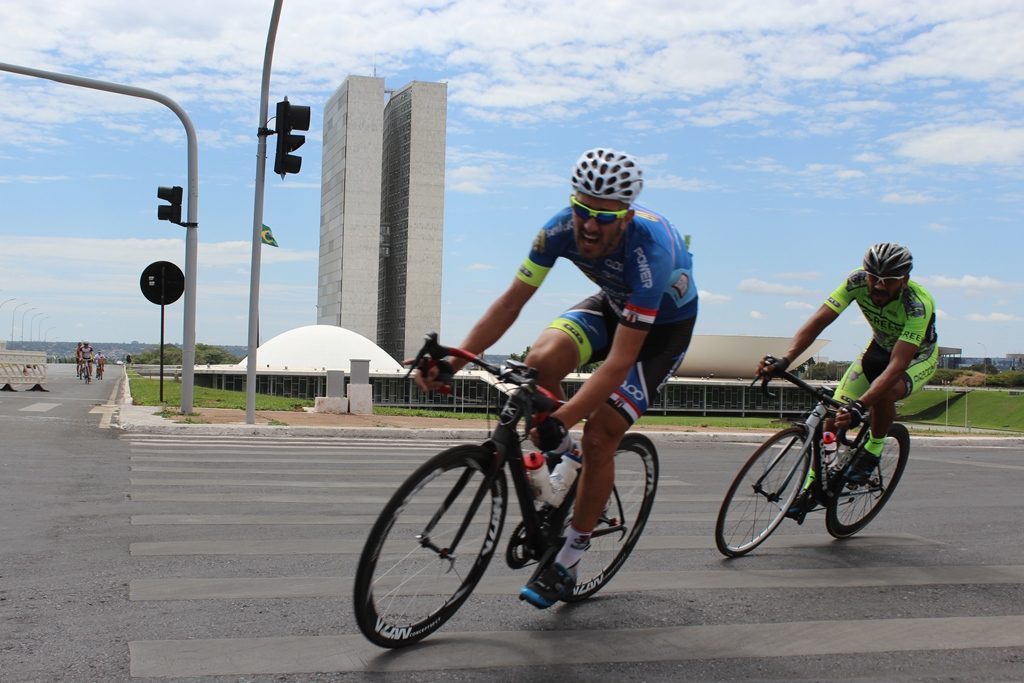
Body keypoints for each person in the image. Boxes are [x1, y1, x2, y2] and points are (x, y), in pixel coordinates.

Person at [415, 148, 698, 608]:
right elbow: (510, 303)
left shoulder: (651, 254)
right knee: (541, 360)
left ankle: (569, 558)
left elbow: (619, 363)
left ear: (625, 217)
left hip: (661, 331)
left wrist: (564, 418)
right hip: (612, 304)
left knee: (602, 434)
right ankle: (570, 460)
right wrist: (455, 361)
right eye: (581, 209)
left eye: (602, 217)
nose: (588, 225)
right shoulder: (556, 230)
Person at [756, 242, 937, 521]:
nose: (877, 286)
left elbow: (897, 365)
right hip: (877, 349)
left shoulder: (916, 305)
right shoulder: (855, 281)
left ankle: (873, 449)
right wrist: (786, 359)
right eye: (873, 277)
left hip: (914, 358)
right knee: (831, 416)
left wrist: (860, 406)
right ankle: (811, 486)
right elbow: (819, 321)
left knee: (883, 395)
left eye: (887, 281)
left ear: (904, 280)